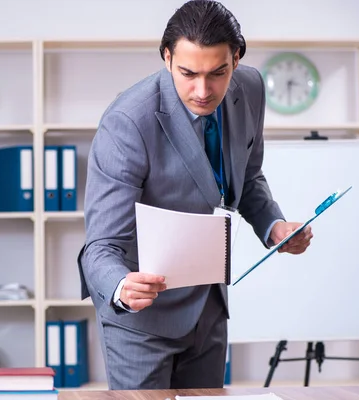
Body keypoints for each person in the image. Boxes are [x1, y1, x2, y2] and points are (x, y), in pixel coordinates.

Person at [76, 0, 314, 391]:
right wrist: (121, 285)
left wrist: (274, 225)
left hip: (209, 309)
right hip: (142, 319)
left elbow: (247, 176)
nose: (202, 91)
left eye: (217, 73)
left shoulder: (251, 88)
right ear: (167, 58)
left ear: (236, 59)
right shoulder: (128, 122)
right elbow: (101, 244)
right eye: (187, 73)